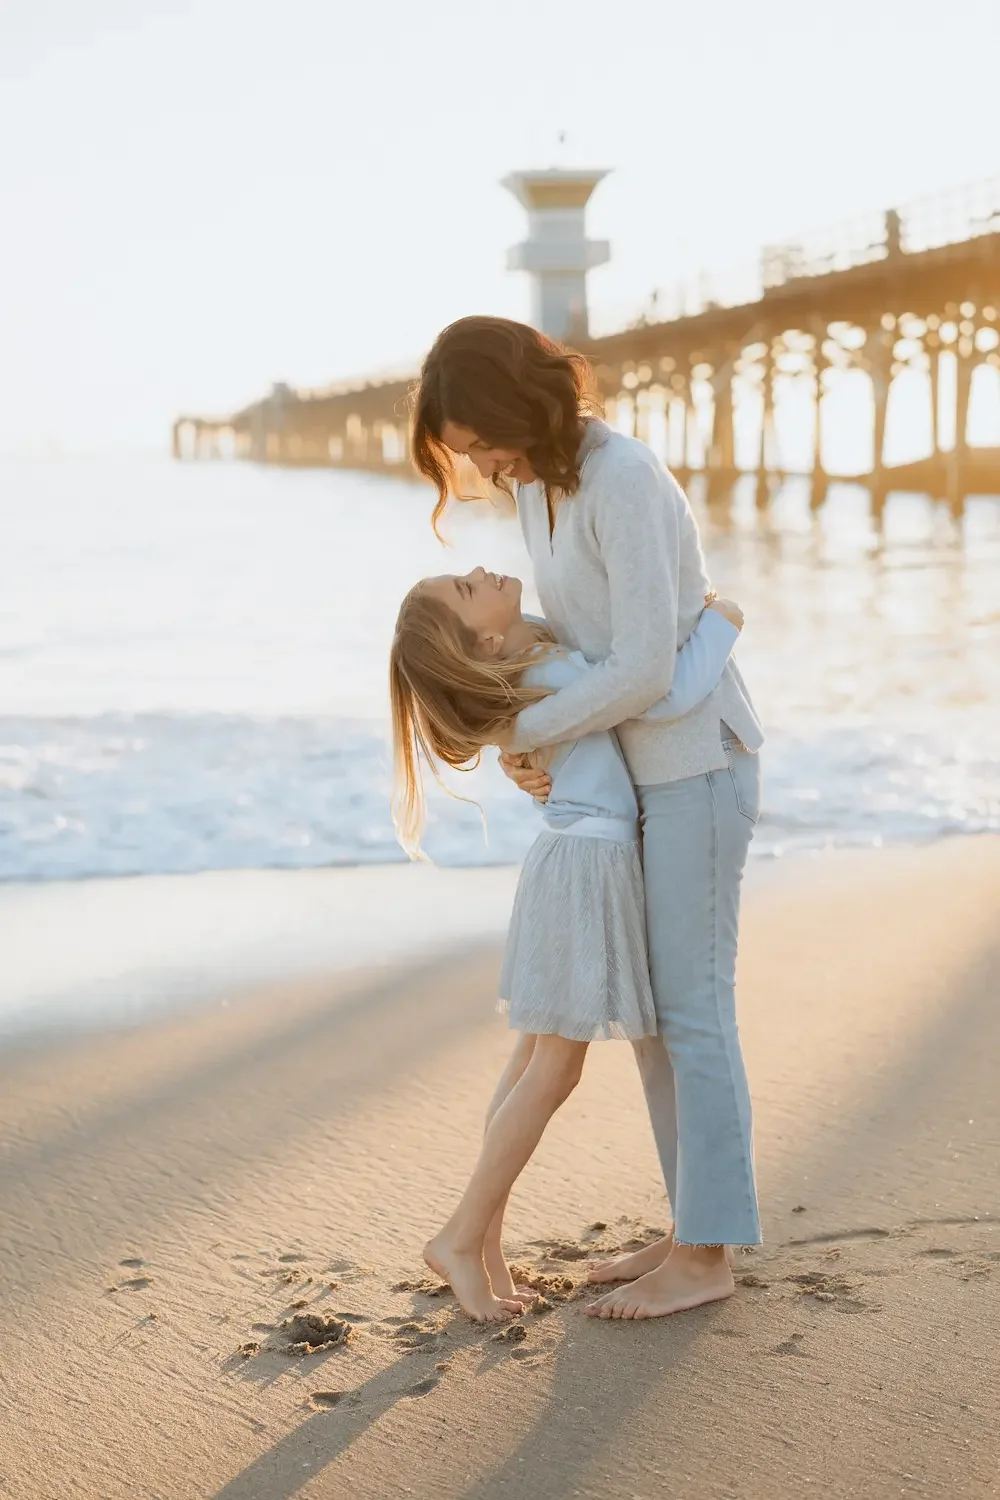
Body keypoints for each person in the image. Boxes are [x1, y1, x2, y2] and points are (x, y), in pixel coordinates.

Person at [410, 316, 765, 1320]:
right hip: (628, 772)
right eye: (467, 451)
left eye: (482, 439)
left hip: (697, 764)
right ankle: (694, 1222)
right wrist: (540, 745)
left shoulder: (623, 479)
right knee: (656, 1023)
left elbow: (650, 667)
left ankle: (706, 1259)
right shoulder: (538, 487)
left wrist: (525, 735)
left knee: (690, 1012)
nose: (480, 464)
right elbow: (576, 633)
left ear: (526, 401)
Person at [389, 563, 742, 1321]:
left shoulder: (532, 664)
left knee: (531, 1058)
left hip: (564, 859)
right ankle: (459, 1234)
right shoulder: (548, 670)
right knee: (552, 1069)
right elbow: (661, 692)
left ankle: (482, 1240)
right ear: (484, 635)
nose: (478, 569)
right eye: (464, 586)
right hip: (588, 865)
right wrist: (722, 621)